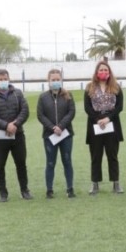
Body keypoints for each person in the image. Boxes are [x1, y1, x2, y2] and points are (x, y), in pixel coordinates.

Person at [0, 68, 31, 202]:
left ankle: (24, 190)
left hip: (18, 135)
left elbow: (25, 111)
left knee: (21, 163)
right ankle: (3, 193)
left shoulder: (18, 93)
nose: (3, 81)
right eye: (0, 79)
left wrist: (15, 125)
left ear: (9, 79)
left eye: (5, 79)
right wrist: (6, 126)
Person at [83, 60, 125, 195]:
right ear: (96, 72)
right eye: (101, 70)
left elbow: (119, 106)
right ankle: (95, 184)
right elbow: (87, 107)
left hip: (111, 123)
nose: (103, 72)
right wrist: (98, 119)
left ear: (109, 72)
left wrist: (108, 118)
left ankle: (116, 183)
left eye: (106, 70)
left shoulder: (116, 87)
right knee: (96, 156)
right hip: (95, 124)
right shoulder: (89, 87)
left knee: (112, 155)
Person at [37, 68, 76, 199]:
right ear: (48, 81)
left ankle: (70, 188)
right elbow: (40, 115)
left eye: (58, 79)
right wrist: (53, 127)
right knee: (50, 163)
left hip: (66, 134)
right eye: (53, 80)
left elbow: (71, 112)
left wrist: (61, 126)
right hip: (49, 136)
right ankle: (49, 190)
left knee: (67, 161)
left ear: (61, 80)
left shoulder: (68, 95)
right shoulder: (43, 97)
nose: (55, 81)